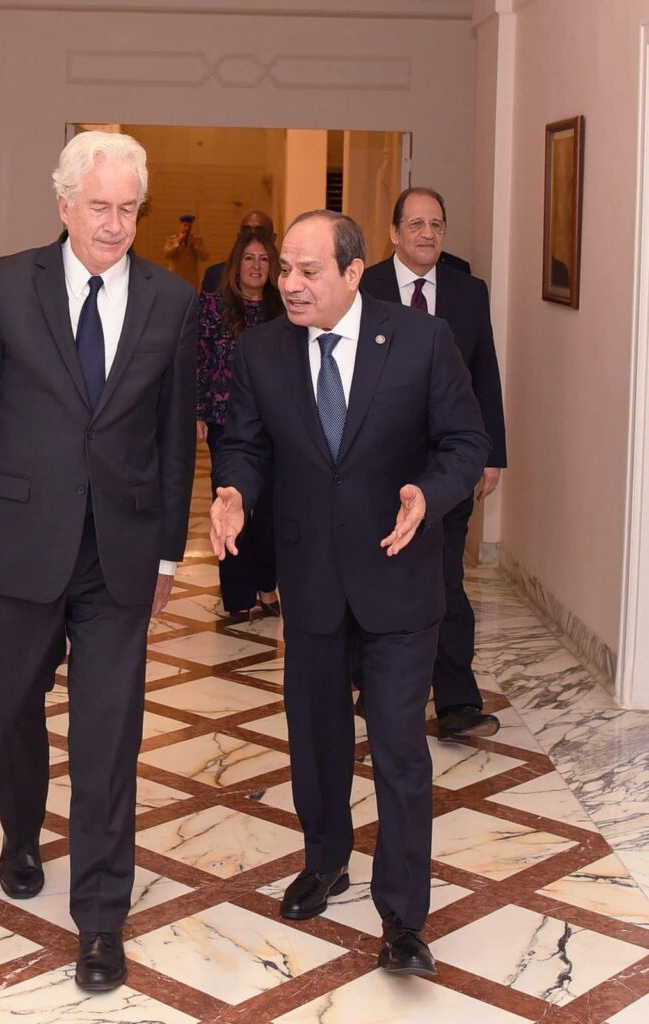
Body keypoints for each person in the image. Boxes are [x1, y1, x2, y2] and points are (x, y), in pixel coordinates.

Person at [0, 131, 197, 992]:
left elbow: (175, 440)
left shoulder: (172, 301)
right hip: (14, 547)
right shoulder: (7, 287)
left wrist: (168, 552)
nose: (115, 225)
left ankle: (101, 918)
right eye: (100, 207)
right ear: (64, 204)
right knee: (10, 708)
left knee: (110, 734)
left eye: (129, 209)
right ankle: (19, 829)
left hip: (118, 555)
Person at [210, 211, 489, 977]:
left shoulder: (421, 341)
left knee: (398, 747)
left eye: (308, 271)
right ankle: (325, 859)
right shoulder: (261, 350)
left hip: (399, 577)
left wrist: (429, 493)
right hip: (311, 581)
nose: (290, 285)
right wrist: (234, 490)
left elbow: (466, 442)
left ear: (354, 271)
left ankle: (403, 918)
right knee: (317, 736)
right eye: (285, 270)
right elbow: (244, 443)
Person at [361, 187, 507, 741]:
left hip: (448, 466)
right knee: (376, 576)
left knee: (446, 580)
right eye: (416, 224)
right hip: (376, 464)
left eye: (437, 224)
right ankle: (372, 691)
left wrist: (491, 453)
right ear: (394, 232)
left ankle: (457, 702)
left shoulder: (469, 291)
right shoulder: (364, 284)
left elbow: (485, 372)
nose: (428, 233)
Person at [197, 230, 284, 620]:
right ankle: (237, 595)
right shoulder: (213, 306)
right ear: (236, 265)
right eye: (249, 258)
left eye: (264, 259)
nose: (256, 266)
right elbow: (198, 360)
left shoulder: (283, 309)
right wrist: (198, 412)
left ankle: (267, 584)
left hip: (274, 422)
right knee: (231, 502)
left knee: (268, 510)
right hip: (225, 420)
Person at [200, 209, 276, 293]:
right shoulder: (215, 275)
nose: (253, 236)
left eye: (259, 232)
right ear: (238, 236)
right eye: (247, 231)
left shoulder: (283, 275)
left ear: (273, 238)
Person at [163, 213, 208, 289]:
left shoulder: (196, 240)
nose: (187, 228)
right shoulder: (172, 240)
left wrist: (196, 246)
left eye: (189, 226)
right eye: (185, 225)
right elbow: (167, 255)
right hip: (176, 276)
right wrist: (177, 244)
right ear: (180, 225)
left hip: (191, 279)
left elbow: (205, 256)